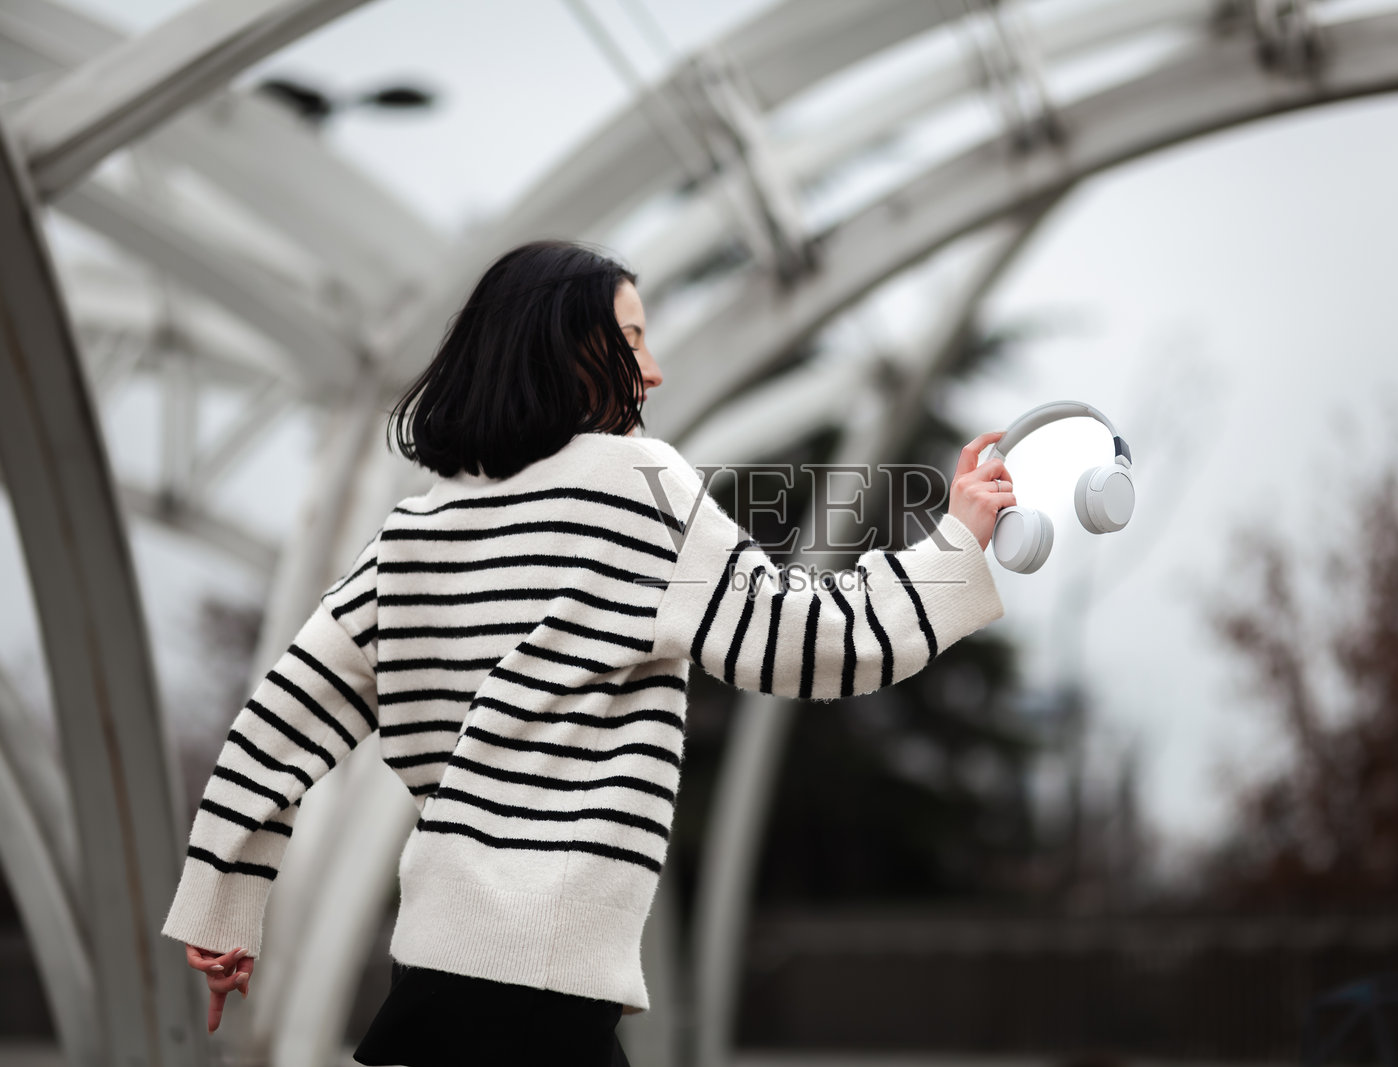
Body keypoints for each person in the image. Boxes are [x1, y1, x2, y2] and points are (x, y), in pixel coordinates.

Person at [162, 240, 1015, 1064]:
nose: (654, 371)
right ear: (566, 350)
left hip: (434, 969)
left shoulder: (415, 531)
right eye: (633, 338)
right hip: (541, 980)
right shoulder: (633, 486)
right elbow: (805, 642)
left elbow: (282, 716)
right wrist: (956, 544)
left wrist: (221, 904)